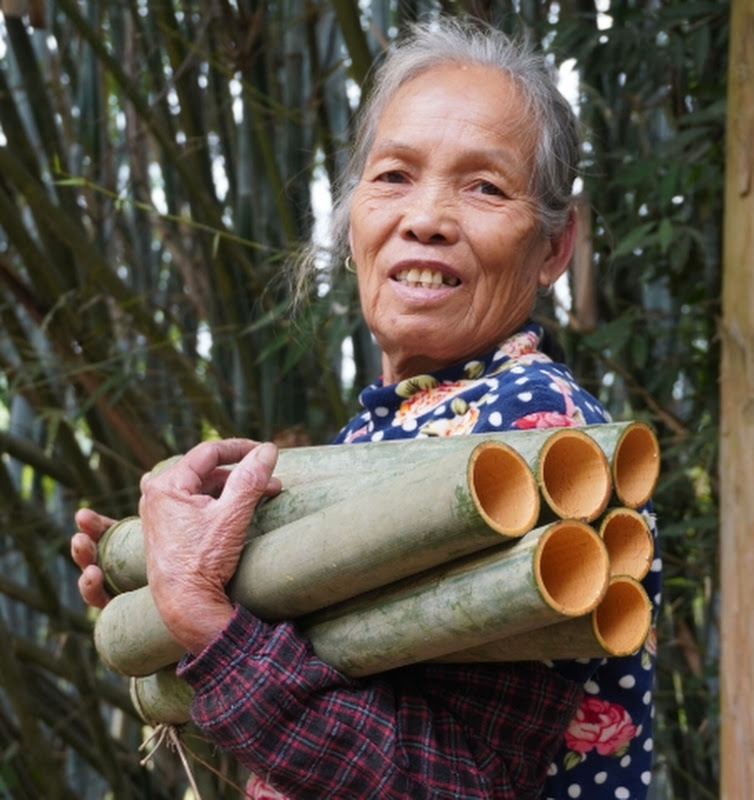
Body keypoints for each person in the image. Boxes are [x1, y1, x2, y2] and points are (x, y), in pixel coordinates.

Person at [73, 18, 660, 800]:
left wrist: (204, 621)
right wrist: (162, 587)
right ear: (352, 221)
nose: (426, 217)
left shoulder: (537, 435)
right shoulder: (390, 431)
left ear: (555, 246)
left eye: (484, 186)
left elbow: (458, 783)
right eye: (393, 176)